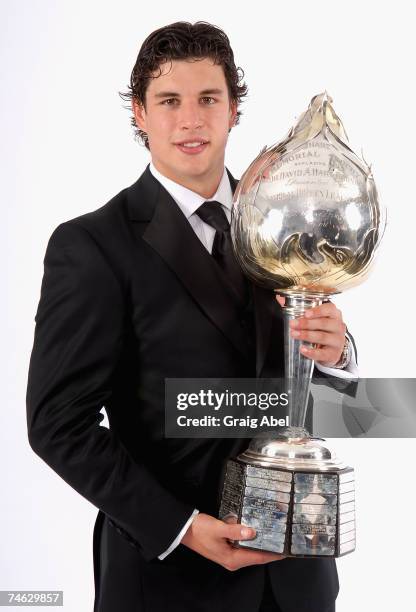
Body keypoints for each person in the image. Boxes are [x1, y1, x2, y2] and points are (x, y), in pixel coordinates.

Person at [26, 21, 358, 612]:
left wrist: (338, 353)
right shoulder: (93, 246)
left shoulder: (286, 225)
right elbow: (58, 425)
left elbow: (305, 404)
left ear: (233, 110)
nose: (191, 120)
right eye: (169, 101)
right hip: (171, 580)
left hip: (298, 578)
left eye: (209, 99)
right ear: (140, 113)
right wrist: (183, 527)